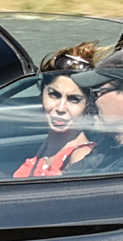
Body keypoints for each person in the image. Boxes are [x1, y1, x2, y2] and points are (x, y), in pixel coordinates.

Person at [12, 47, 102, 179]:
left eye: (74, 99)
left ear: (88, 105)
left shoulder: (81, 158)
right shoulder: (46, 147)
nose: (61, 108)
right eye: (54, 95)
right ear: (42, 94)